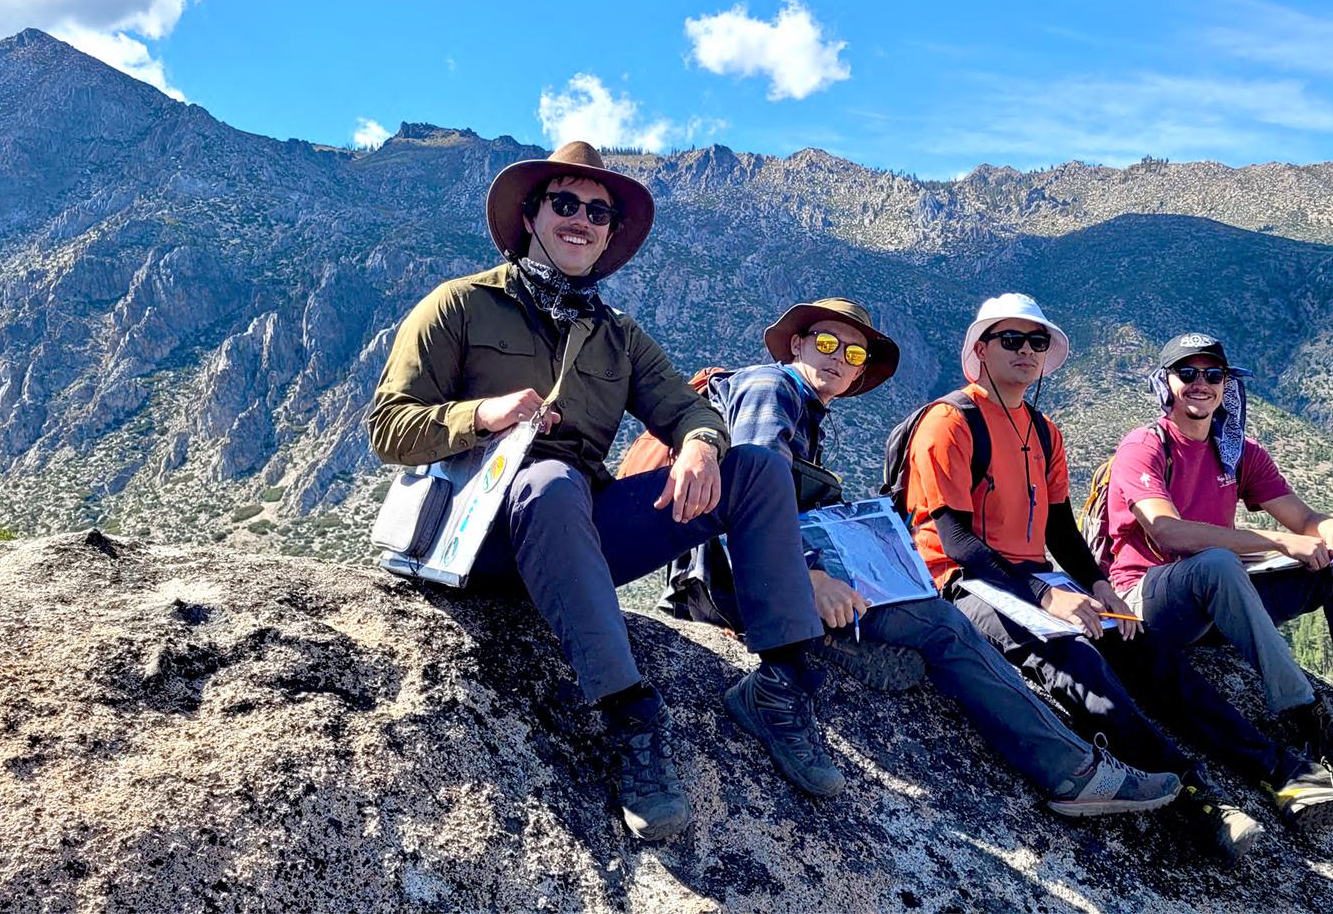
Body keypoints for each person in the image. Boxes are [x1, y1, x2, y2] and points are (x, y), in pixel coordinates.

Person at [367, 142, 839, 842]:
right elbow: (387, 426)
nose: (580, 220)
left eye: (598, 211)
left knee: (761, 471)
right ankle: (631, 719)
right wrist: (483, 416)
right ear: (531, 215)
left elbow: (690, 408)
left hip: (577, 536)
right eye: (565, 203)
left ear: (610, 233)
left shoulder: (619, 336)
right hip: (482, 536)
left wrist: (702, 446)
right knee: (551, 479)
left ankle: (781, 685)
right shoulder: (461, 306)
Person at [660, 298, 1187, 824]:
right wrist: (810, 574)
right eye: (824, 343)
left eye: (853, 352)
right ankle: (1074, 774)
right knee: (942, 626)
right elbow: (751, 496)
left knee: (910, 634)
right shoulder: (771, 389)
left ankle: (842, 651)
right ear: (796, 344)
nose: (837, 357)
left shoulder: (805, 411)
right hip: (742, 575)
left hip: (753, 575)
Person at [897, 293, 1267, 858]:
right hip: (966, 583)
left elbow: (1062, 532)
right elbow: (959, 544)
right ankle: (1196, 798)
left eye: (1036, 341)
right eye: (1011, 340)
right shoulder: (951, 422)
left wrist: (1096, 585)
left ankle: (1268, 762)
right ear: (981, 349)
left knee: (1145, 646)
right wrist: (1047, 595)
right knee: (1076, 660)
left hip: (1034, 575)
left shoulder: (1044, 432)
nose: (1026, 351)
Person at [1101, 331, 1333, 810]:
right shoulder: (1145, 446)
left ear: (1226, 385)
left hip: (1221, 599)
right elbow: (1169, 534)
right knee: (1216, 561)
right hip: (1150, 600)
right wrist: (1282, 541)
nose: (1201, 384)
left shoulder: (1239, 452)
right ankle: (1307, 717)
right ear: (1166, 383)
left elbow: (1304, 520)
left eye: (1212, 375)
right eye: (1187, 373)